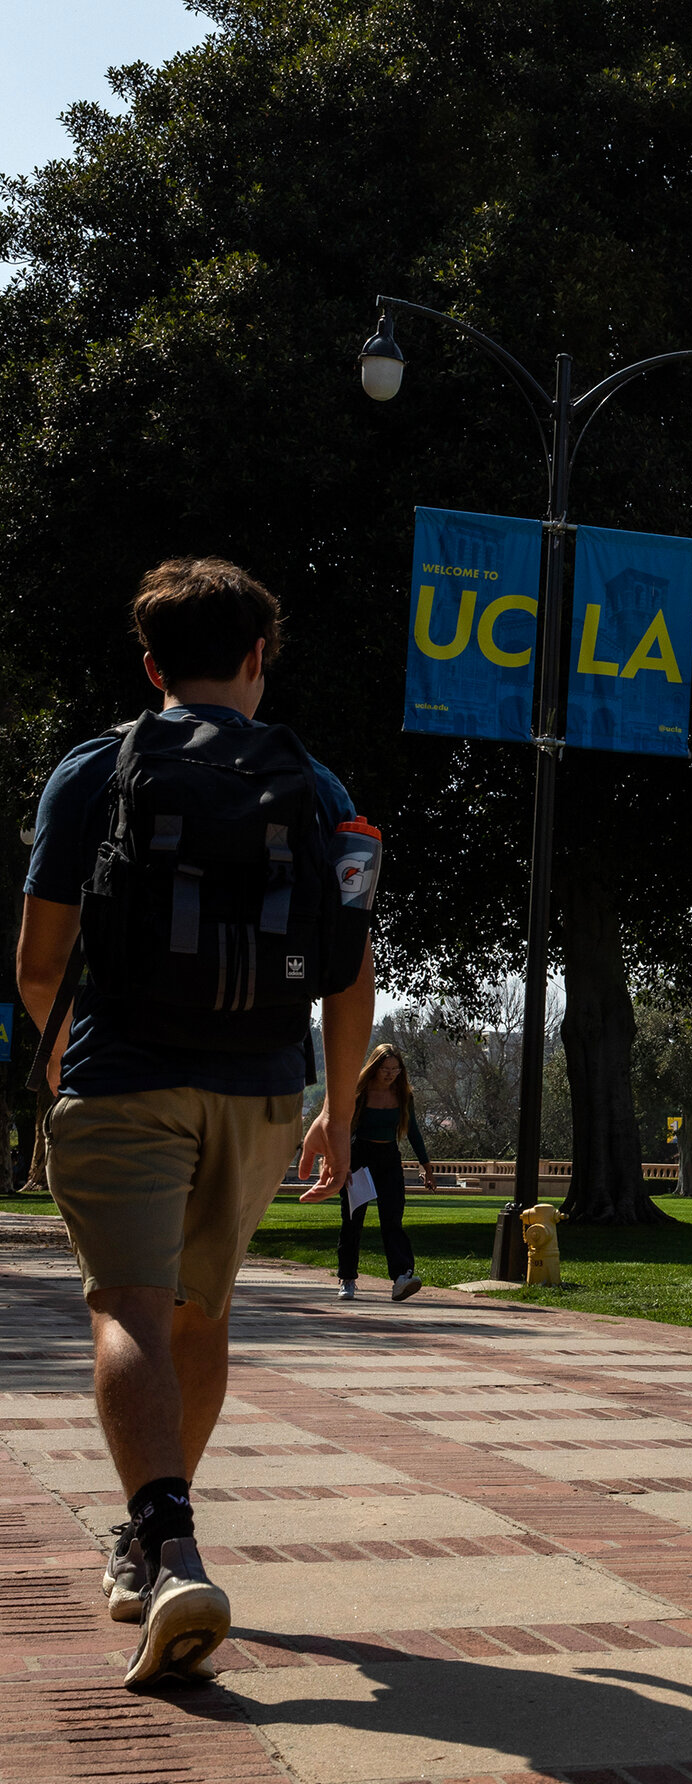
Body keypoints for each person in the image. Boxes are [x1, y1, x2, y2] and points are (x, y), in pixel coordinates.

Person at [15, 559, 374, 1687]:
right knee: (199, 1313)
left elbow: (38, 962)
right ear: (258, 657)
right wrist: (337, 1113)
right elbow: (350, 973)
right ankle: (154, 1531)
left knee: (127, 1305)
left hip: (124, 1074)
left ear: (152, 666)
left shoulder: (93, 771)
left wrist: (69, 1058)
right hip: (261, 1087)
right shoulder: (317, 786)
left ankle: (167, 1544)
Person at [321, 1044, 436, 1300]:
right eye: (385, 1069)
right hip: (359, 1156)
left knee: (392, 1219)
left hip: (389, 1158)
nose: (390, 1074)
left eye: (396, 1069)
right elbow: (344, 1128)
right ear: (374, 1067)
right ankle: (347, 1278)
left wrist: (426, 1166)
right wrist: (339, 1163)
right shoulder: (359, 1092)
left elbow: (414, 1132)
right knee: (352, 1220)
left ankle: (401, 1277)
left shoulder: (404, 1095)